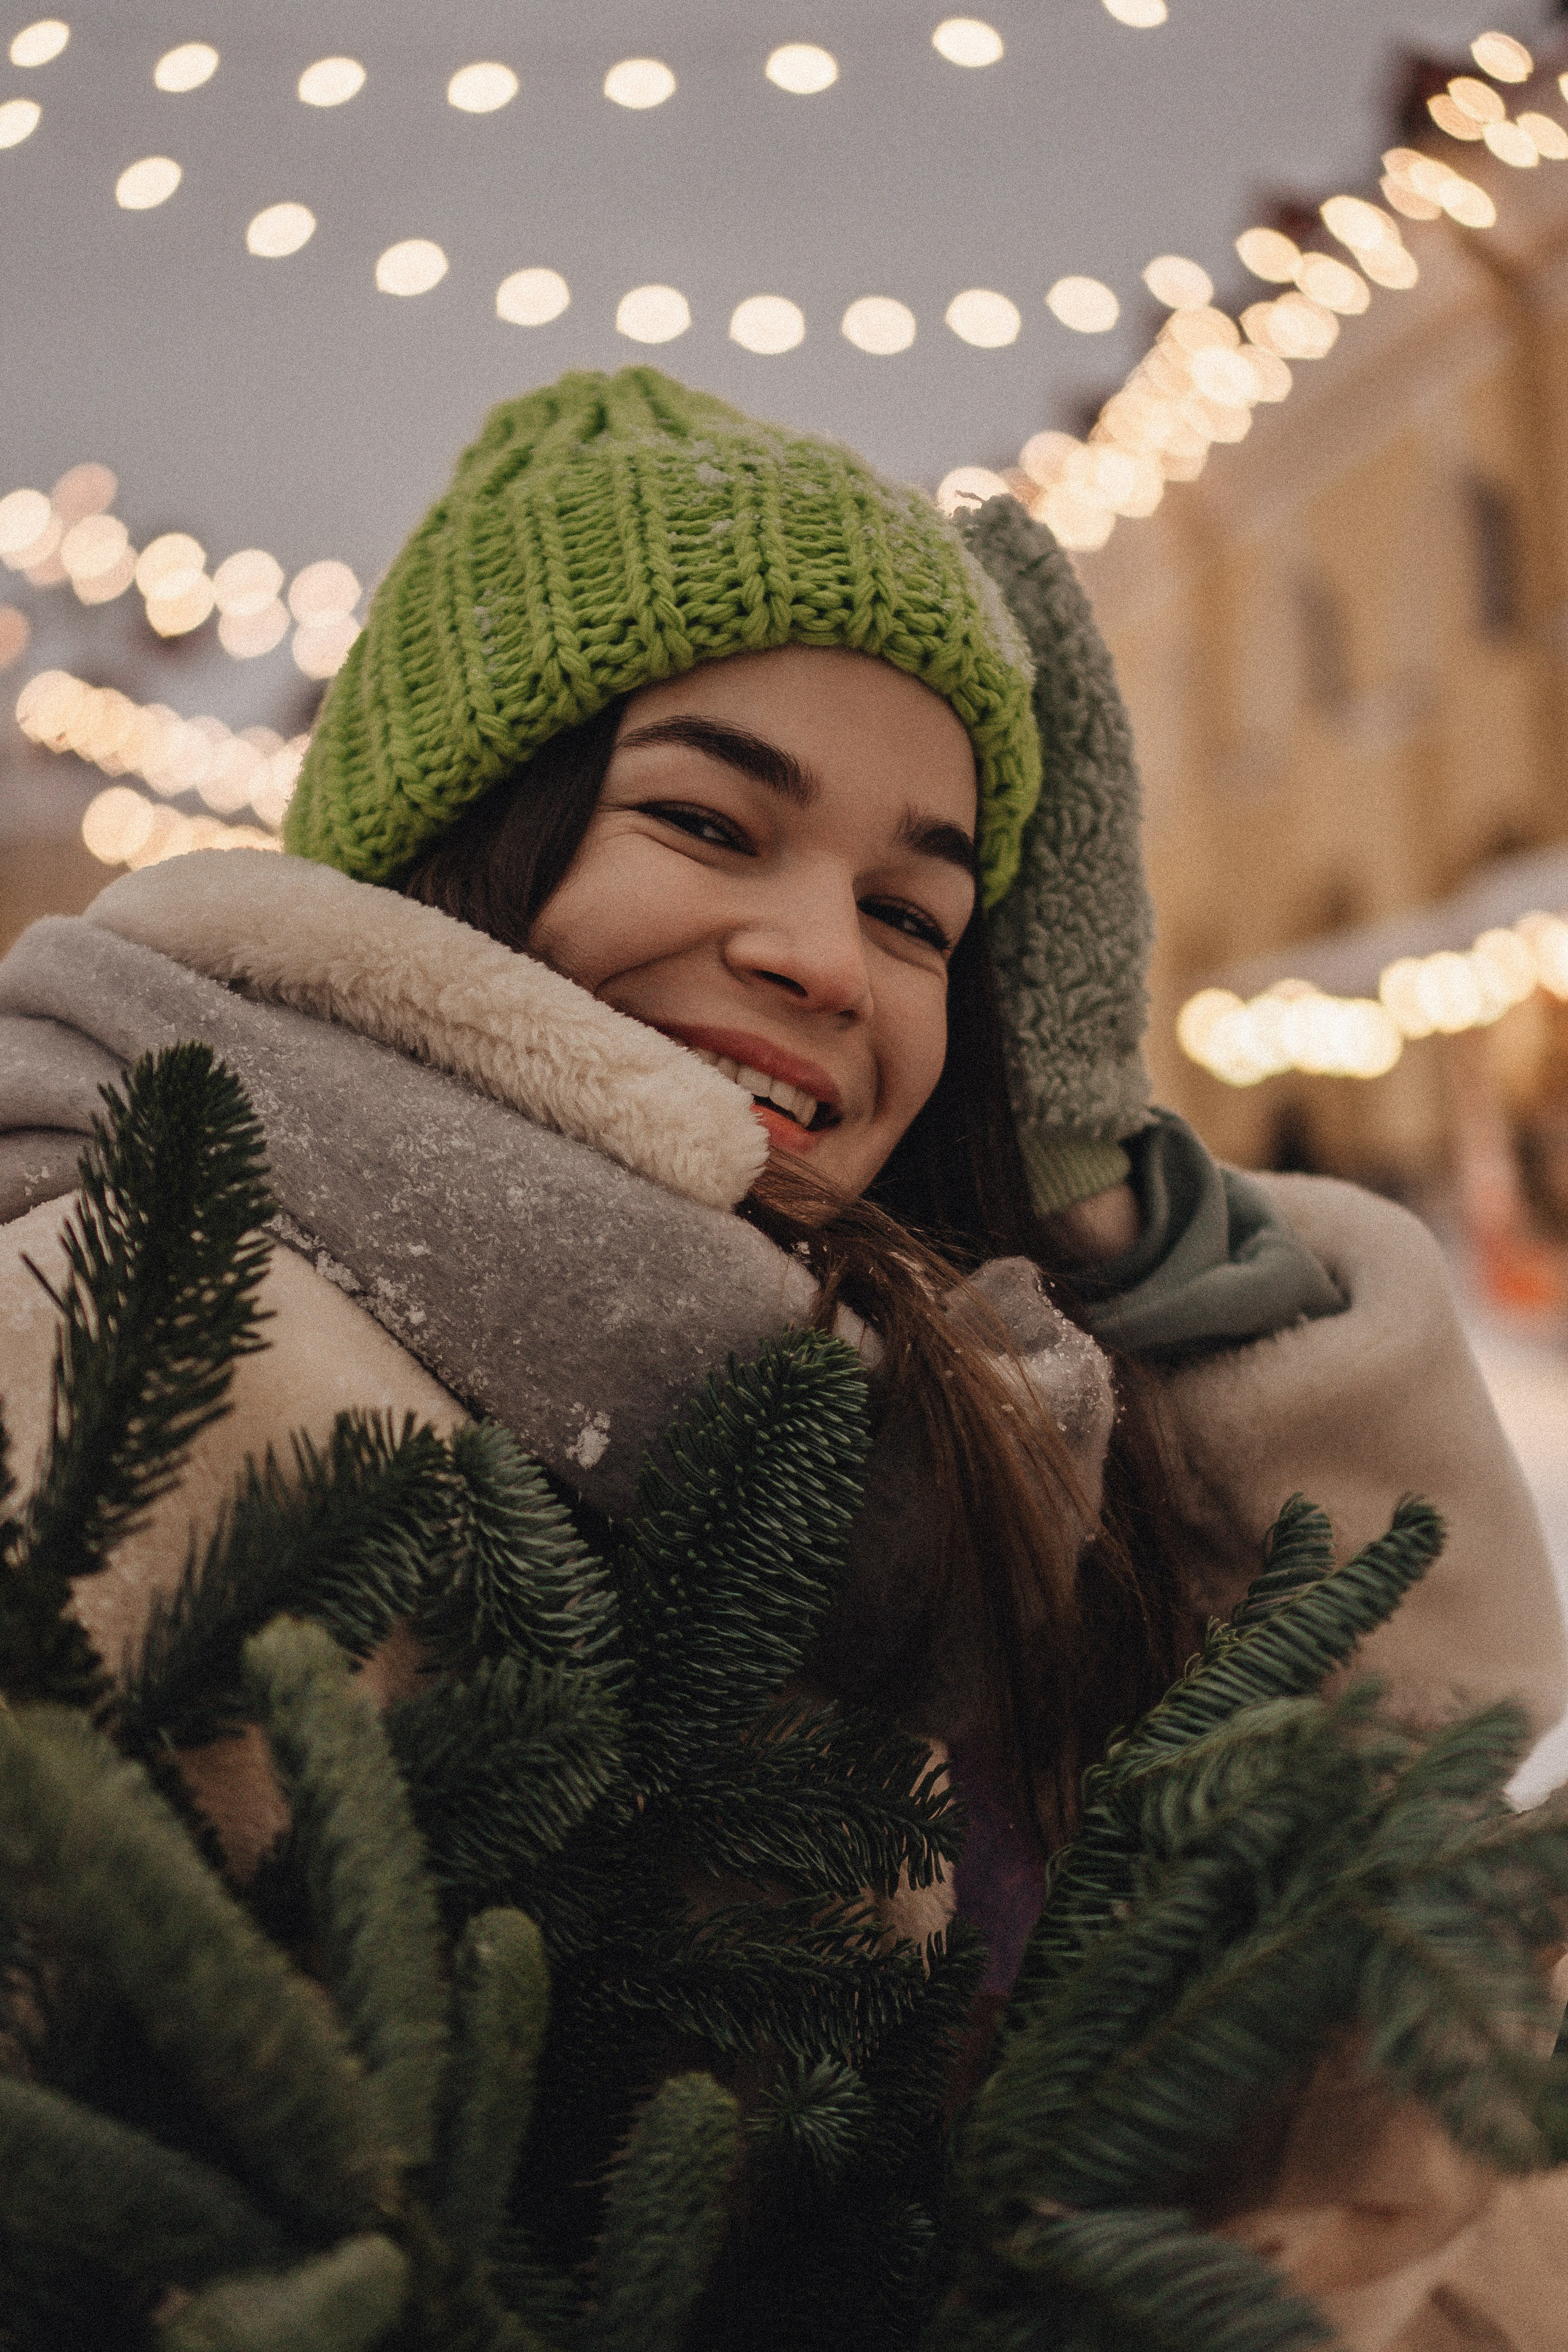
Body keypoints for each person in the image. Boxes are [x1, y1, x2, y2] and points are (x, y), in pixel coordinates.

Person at [0, 366, 1562, 2346]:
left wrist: (1101, 1208)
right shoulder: (145, 1331)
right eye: (708, 821)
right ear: (458, 840)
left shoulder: (936, 1390)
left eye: (917, 911)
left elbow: (1391, 1941)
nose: (827, 954)